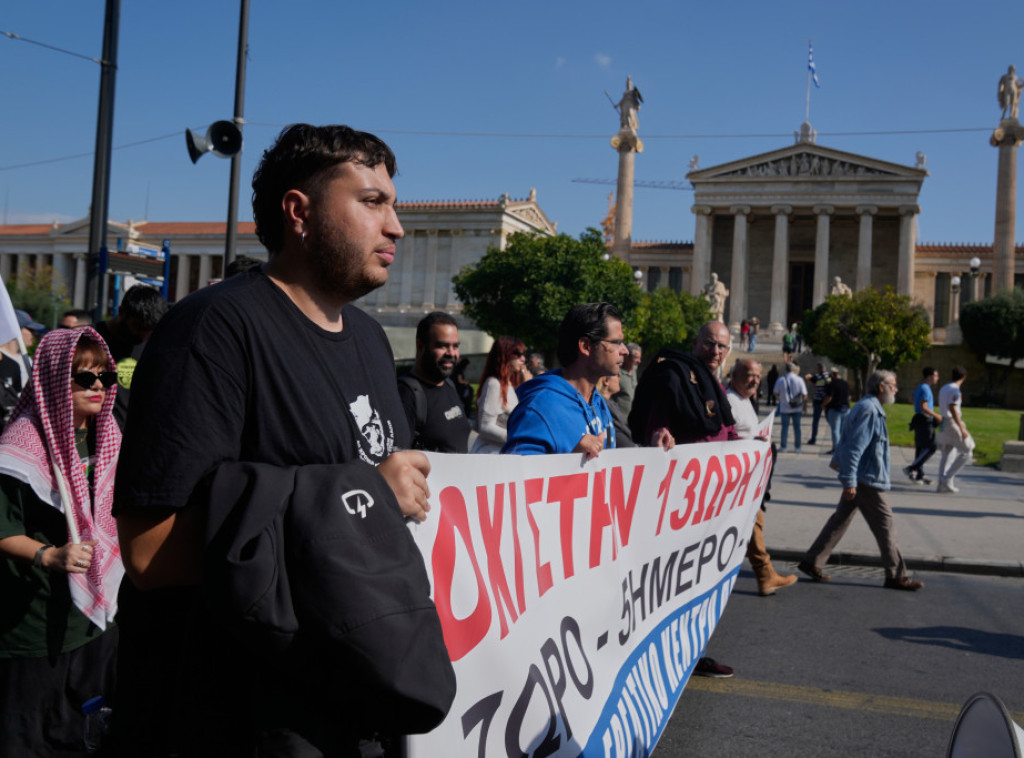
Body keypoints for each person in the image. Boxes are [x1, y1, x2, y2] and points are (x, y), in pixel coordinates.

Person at [112, 124, 453, 756]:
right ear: (298, 211)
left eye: (394, 204)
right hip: (239, 720)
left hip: (351, 701)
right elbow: (150, 553)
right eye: (373, 202)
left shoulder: (374, 345)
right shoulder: (212, 332)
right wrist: (363, 500)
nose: (397, 226)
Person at [0, 327, 122, 754]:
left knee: (83, 735)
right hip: (34, 625)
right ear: (54, 377)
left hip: (94, 620)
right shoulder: (20, 447)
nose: (98, 388)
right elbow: (3, 530)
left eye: (104, 377)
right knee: (28, 738)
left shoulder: (108, 433)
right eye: (83, 377)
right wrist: (49, 555)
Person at [628, 321, 732, 678]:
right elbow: (656, 429)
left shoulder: (712, 383)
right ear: (695, 343)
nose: (715, 352)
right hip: (677, 502)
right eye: (709, 344)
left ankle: (693, 651)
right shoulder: (674, 376)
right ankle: (663, 653)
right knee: (674, 583)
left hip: (709, 500)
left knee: (699, 582)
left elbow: (726, 431)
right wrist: (661, 437)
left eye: (722, 347)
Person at [798, 370, 923, 591]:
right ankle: (896, 575)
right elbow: (853, 449)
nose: (896, 389)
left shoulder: (869, 407)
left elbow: (848, 445)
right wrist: (850, 481)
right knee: (886, 526)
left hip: (861, 477)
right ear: (881, 386)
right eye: (893, 385)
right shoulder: (870, 410)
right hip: (866, 480)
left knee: (840, 520)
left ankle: (812, 561)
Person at [503, 302, 628, 457]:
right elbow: (517, 476)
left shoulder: (598, 403)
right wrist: (572, 459)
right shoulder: (539, 407)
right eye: (616, 342)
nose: (625, 351)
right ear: (586, 346)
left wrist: (657, 453)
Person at [726, 358, 796, 596]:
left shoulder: (745, 400)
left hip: (754, 478)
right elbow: (725, 438)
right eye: (749, 375)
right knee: (753, 522)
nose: (755, 380)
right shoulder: (730, 401)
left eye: (757, 376)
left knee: (755, 521)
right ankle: (765, 574)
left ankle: (765, 575)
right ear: (734, 376)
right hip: (740, 480)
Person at [94, 284, 168, 429]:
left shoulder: (153, 345)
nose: (143, 336)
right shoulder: (89, 339)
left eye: (149, 330)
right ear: (122, 312)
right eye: (139, 327)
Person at [398, 311, 471, 453]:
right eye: (443, 346)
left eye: (455, 346)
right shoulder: (405, 395)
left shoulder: (449, 385)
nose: (451, 353)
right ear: (420, 347)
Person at [471, 335, 527, 454]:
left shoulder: (510, 384)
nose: (523, 359)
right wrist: (517, 439)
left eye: (523, 354)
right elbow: (485, 427)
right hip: (488, 455)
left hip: (502, 453)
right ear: (504, 355)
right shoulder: (494, 384)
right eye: (517, 354)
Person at [936, 366, 974, 494]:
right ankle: (947, 478)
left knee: (947, 451)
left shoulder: (944, 387)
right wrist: (962, 428)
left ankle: (942, 483)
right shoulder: (955, 390)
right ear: (964, 377)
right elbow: (952, 407)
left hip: (945, 421)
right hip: (952, 422)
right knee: (967, 451)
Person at [904, 367, 941, 485]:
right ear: (929, 376)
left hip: (918, 420)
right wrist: (937, 416)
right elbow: (923, 406)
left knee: (920, 448)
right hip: (925, 420)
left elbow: (911, 398)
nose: (937, 378)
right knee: (931, 447)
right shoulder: (926, 389)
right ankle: (912, 468)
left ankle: (919, 474)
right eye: (936, 376)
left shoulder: (921, 387)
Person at [773, 362, 807, 453]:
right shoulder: (799, 379)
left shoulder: (781, 380)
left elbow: (775, 393)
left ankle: (784, 446)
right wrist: (805, 406)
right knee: (797, 428)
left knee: (784, 428)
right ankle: (798, 447)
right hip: (797, 407)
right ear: (794, 369)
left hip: (785, 407)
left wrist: (782, 396)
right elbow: (804, 394)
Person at [598, 373, 636, 448]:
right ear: (606, 380)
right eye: (617, 375)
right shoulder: (602, 408)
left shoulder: (612, 405)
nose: (619, 379)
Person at [821, 367, 851, 454]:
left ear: (831, 375)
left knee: (835, 430)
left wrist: (823, 405)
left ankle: (836, 449)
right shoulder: (845, 383)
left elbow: (829, 397)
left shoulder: (831, 384)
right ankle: (844, 448)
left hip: (834, 409)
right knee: (843, 430)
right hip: (845, 408)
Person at [612, 341, 641, 417]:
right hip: (620, 421)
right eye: (636, 358)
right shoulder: (616, 373)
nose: (639, 361)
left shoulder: (634, 371)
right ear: (627, 357)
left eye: (639, 358)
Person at [806, 363, 829, 446]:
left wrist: (808, 377)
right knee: (830, 420)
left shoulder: (818, 377)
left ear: (819, 369)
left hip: (818, 400)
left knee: (815, 421)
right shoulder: (828, 376)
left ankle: (813, 438)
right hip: (827, 400)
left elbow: (809, 381)